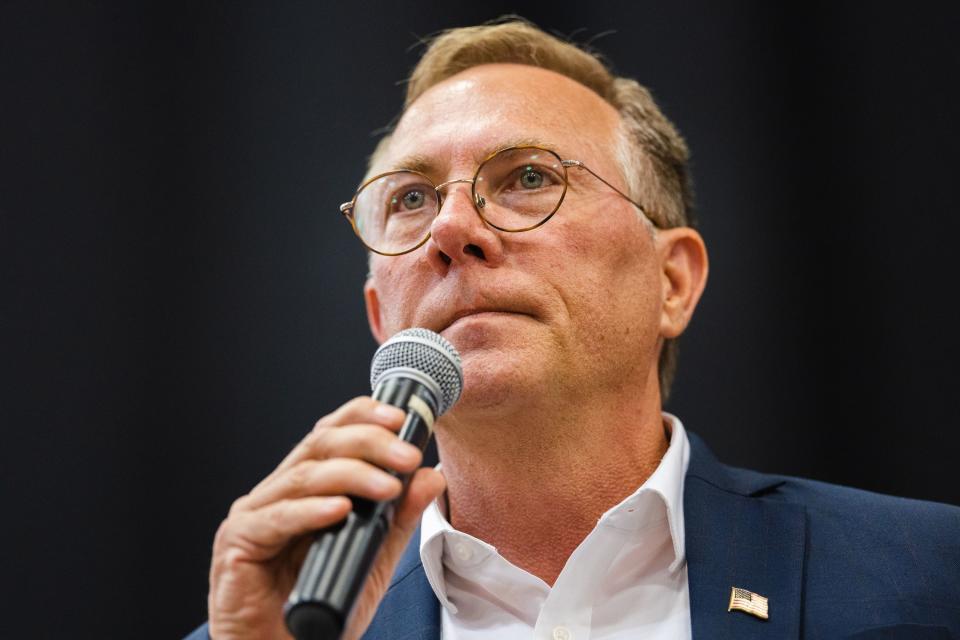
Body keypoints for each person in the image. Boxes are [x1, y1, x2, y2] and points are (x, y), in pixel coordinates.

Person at [188, 19, 960, 640]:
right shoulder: (274, 631)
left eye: (529, 178)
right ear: (381, 318)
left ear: (672, 281)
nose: (452, 228)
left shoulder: (931, 571)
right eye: (412, 200)